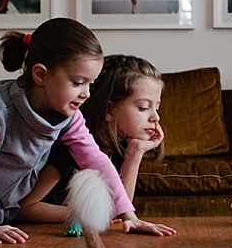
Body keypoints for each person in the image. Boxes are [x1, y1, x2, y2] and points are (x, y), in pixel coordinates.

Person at [0, 18, 175, 244]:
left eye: (90, 84)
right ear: (41, 75)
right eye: (79, 82)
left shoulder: (69, 115)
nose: (86, 94)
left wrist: (129, 215)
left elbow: (97, 161)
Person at [20, 54, 165, 218]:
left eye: (157, 108)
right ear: (110, 110)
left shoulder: (119, 147)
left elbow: (120, 210)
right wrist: (86, 215)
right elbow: (26, 208)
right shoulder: (72, 150)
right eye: (143, 107)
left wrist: (136, 151)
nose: (156, 117)